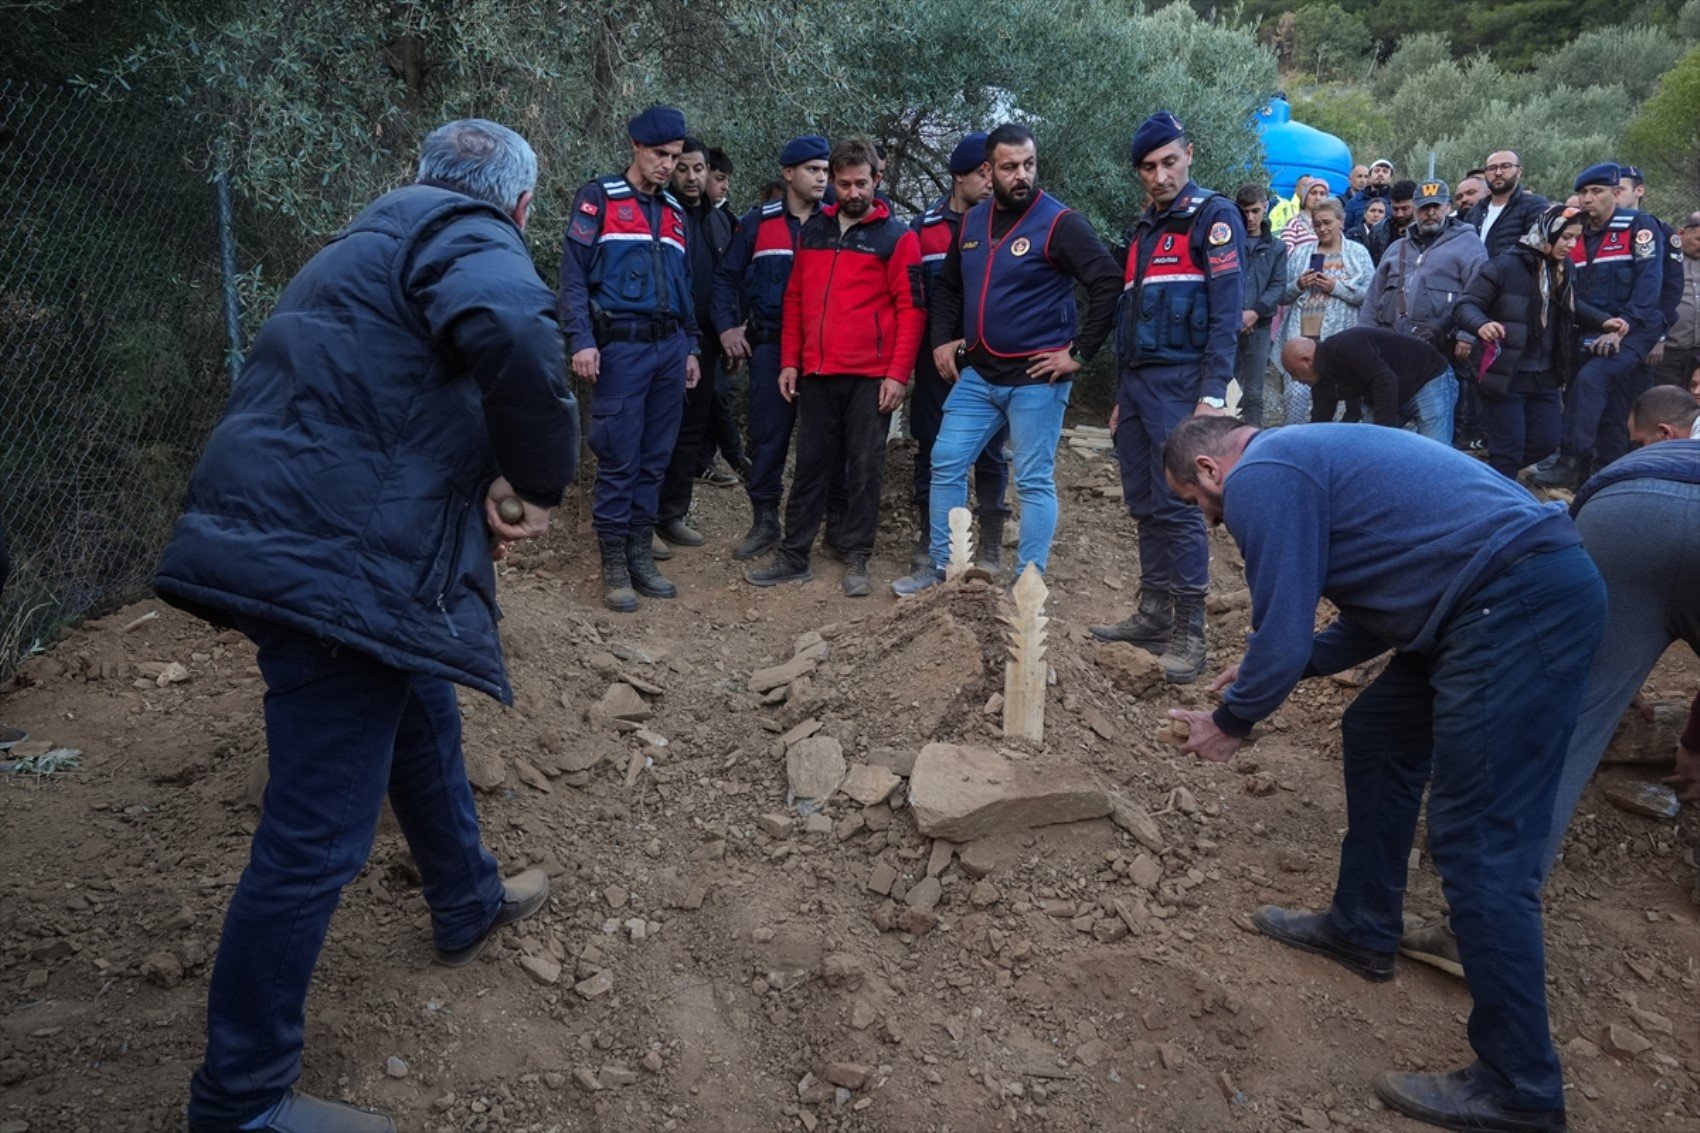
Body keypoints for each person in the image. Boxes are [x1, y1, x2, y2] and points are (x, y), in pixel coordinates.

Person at [153, 120, 579, 1133]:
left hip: (301, 536)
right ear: (516, 206)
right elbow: (516, 334)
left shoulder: (361, 243)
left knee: (421, 706)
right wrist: (538, 479)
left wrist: (476, 472)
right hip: (330, 565)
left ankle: (464, 898)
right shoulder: (468, 233)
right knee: (315, 838)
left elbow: (385, 399)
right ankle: (240, 1099)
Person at [1163, 414, 1603, 1133]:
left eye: (1193, 501)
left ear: (1210, 470)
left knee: (1482, 846)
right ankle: (1363, 924)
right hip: (1488, 593)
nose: (1208, 521)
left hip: (1515, 602)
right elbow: (1377, 604)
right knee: (1375, 730)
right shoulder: (1308, 461)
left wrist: (1233, 719)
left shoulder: (1262, 476)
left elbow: (1281, 627)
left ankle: (1520, 1085)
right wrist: (1290, 663)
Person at [890, 122, 1121, 596]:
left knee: (1034, 479)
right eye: (1010, 166)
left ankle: (1027, 582)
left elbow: (1108, 283)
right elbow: (949, 287)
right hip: (978, 373)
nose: (1021, 175)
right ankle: (944, 571)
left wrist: (1078, 353)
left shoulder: (1060, 223)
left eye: (1029, 165)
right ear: (988, 171)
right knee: (946, 460)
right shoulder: (972, 223)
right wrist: (940, 340)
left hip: (1037, 379)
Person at [1087, 111, 1245, 684]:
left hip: (1184, 386)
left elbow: (1226, 317)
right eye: (1148, 168)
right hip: (1137, 389)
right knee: (1143, 503)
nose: (1160, 176)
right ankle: (1154, 612)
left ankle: (1189, 630)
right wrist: (1119, 396)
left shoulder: (1214, 218)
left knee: (1180, 504)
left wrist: (1210, 396)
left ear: (1189, 154)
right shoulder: (1144, 231)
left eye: (1169, 162)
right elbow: (1131, 321)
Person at [742, 137, 922, 597]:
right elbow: (796, 298)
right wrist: (790, 361)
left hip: (870, 377)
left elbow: (911, 309)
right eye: (843, 184)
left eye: (861, 183)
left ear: (877, 180)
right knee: (810, 467)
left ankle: (856, 556)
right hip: (817, 373)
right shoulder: (814, 231)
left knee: (865, 468)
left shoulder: (897, 237)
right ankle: (794, 554)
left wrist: (898, 374)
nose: (851, 192)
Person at [559, 106, 701, 612]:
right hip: (619, 347)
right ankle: (614, 564)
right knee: (619, 458)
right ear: (636, 147)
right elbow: (573, 278)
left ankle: (641, 555)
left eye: (677, 157)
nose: (669, 166)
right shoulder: (599, 199)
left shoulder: (676, 212)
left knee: (655, 457)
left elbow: (684, 286)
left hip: (669, 349)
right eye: (661, 155)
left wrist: (691, 345)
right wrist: (580, 340)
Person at [712, 136, 832, 561]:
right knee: (767, 438)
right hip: (771, 347)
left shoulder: (836, 220)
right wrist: (728, 326)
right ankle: (764, 521)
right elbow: (726, 277)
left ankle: (825, 529)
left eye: (825, 170)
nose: (822, 177)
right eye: (813, 170)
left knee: (825, 444)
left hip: (823, 352)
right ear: (788, 174)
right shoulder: (759, 222)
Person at [1452, 204, 1627, 479]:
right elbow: (1466, 305)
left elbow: (1570, 305)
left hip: (1545, 376)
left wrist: (1603, 320)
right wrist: (1482, 324)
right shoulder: (1504, 266)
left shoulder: (1564, 268)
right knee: (1509, 449)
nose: (1572, 245)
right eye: (1566, 237)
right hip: (1505, 374)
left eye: (1576, 238)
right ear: (1548, 232)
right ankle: (1500, 498)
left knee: (1546, 440)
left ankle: (1487, 478)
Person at [906, 132, 1010, 573]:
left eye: (993, 172)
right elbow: (917, 297)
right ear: (957, 177)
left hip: (989, 359)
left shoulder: (1006, 225)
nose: (990, 182)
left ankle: (988, 543)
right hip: (936, 361)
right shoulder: (922, 229)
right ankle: (934, 536)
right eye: (981, 174)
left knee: (990, 451)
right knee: (931, 446)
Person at [1530, 163, 1667, 490]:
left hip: (1634, 328)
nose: (1588, 199)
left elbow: (1651, 284)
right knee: (1600, 403)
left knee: (1593, 383)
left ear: (1617, 194)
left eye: (1597, 192)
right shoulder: (1574, 233)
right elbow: (1568, 293)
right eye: (1583, 192)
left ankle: (1571, 461)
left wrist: (1621, 326)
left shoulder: (1639, 226)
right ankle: (1592, 477)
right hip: (1589, 328)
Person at [654, 136, 739, 554]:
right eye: (683, 168)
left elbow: (728, 283)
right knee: (655, 431)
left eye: (699, 169)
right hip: (665, 340)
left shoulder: (720, 222)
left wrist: (730, 334)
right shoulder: (659, 213)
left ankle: (671, 514)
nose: (691, 177)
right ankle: (641, 519)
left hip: (706, 342)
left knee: (690, 431)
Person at [1274, 197, 1373, 425]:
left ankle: (1327, 441)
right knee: (1295, 394)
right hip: (1301, 336)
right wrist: (1299, 284)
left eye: (1327, 222)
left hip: (1338, 339)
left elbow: (1369, 296)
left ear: (1341, 222)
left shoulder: (1358, 253)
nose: (1322, 228)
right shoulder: (1301, 253)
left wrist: (1336, 287)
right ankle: (1294, 438)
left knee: (1333, 395)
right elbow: (1282, 295)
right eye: (1317, 224)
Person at [1360, 179, 1487, 354]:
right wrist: (1364, 338)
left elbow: (1479, 294)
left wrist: (1467, 336)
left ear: (1448, 207)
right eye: (1423, 207)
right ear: (1415, 209)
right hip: (1389, 346)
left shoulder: (1469, 245)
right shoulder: (1395, 249)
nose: (1430, 213)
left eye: (1436, 206)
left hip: (1440, 350)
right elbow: (1373, 300)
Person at [1281, 326, 1457, 442]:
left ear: (1306, 361)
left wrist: (1380, 436)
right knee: (1364, 450)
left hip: (1428, 378)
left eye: (1293, 373)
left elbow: (1385, 381)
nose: (1295, 380)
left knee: (1434, 452)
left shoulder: (1346, 345)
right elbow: (1320, 423)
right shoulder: (1321, 380)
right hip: (1390, 392)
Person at [1233, 183, 1288, 427]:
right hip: (1227, 323)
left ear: (1265, 207)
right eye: (1244, 211)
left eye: (1255, 211)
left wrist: (1254, 312)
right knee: (1224, 386)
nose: (1250, 217)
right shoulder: (1227, 241)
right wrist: (1236, 315)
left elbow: (1278, 285)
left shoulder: (1276, 247)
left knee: (1254, 391)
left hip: (1260, 325)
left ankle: (1251, 443)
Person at [1463, 149, 1548, 260]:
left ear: (1519, 171)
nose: (1498, 173)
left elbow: (1535, 250)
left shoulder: (1534, 205)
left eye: (1505, 166)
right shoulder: (1474, 213)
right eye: (1492, 168)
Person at [1653, 211, 1700, 388]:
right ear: (1681, 234)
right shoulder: (1663, 257)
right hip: (1667, 351)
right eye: (1699, 240)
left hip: (1698, 353)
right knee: (1667, 402)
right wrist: (1657, 338)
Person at [1363, 179, 1415, 264]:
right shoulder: (1377, 230)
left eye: (1405, 209)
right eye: (1395, 209)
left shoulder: (1423, 232)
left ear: (1415, 204)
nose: (1399, 214)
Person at [1344, 157, 1392, 230]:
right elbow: (1345, 230)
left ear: (1390, 178)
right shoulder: (1354, 202)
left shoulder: (1395, 202)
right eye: (1377, 171)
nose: (1380, 174)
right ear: (1369, 177)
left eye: (1385, 171)